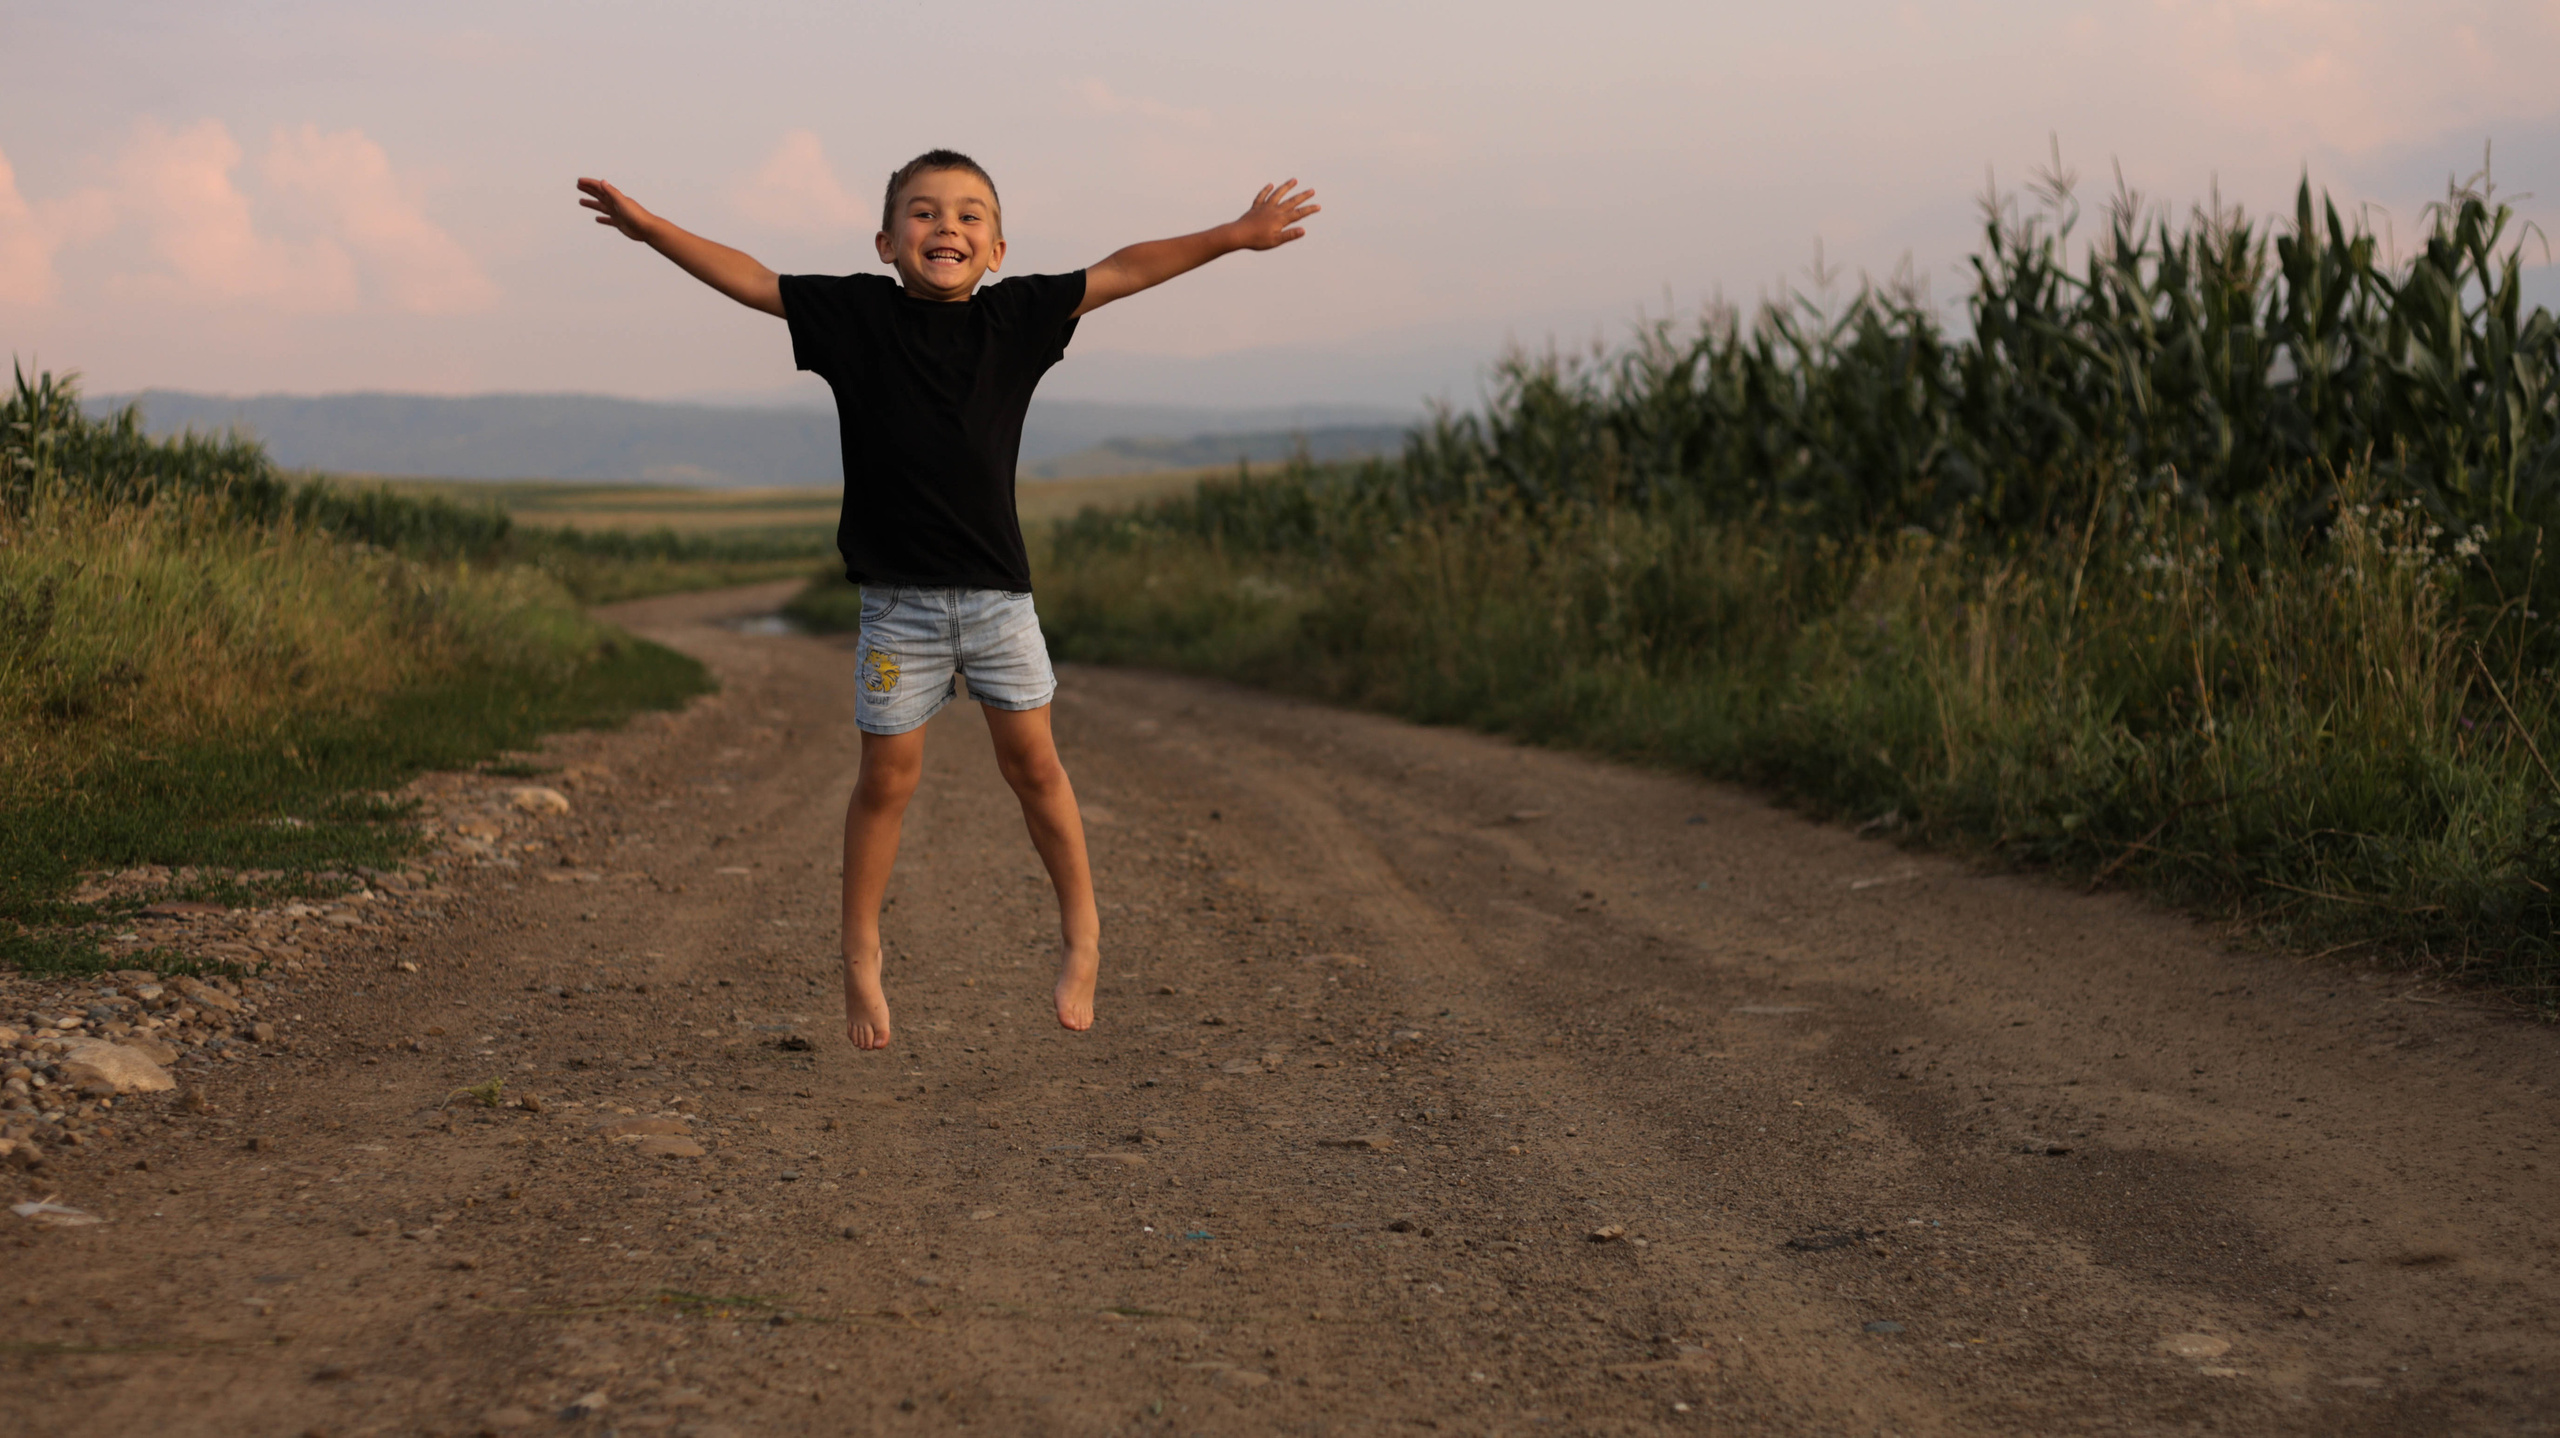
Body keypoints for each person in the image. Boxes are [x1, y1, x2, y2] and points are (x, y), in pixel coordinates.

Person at [576, 150, 1320, 1050]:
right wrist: (652, 231)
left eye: (970, 216)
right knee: (886, 781)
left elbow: (1126, 269)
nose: (947, 228)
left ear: (997, 250)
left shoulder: (1018, 317)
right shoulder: (857, 317)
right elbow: (754, 281)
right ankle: (860, 952)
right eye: (924, 213)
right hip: (899, 611)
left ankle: (1083, 935)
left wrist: (1235, 235)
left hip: (1001, 602)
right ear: (887, 242)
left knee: (1036, 769)